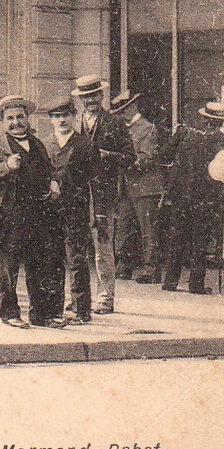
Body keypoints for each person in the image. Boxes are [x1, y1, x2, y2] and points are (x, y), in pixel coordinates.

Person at [0, 96, 64, 329]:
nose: (16, 122)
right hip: (9, 217)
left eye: (20, 117)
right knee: (8, 269)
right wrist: (5, 167)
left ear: (27, 118)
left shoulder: (36, 144)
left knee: (38, 266)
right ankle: (9, 313)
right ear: (3, 122)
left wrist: (54, 182)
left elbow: (50, 169)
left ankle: (40, 314)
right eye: (10, 118)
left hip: (37, 214)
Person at [71, 75, 136, 315]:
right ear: (80, 100)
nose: (91, 100)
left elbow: (130, 157)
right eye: (86, 97)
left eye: (94, 95)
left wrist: (104, 154)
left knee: (102, 247)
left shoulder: (115, 123)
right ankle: (79, 297)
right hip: (77, 193)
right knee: (76, 248)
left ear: (102, 96)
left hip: (103, 194)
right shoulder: (74, 123)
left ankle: (105, 297)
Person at [158, 100, 224, 294]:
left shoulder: (184, 133)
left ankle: (170, 283)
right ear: (219, 122)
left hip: (181, 195)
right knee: (199, 240)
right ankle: (196, 285)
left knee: (177, 238)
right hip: (206, 198)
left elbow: (163, 156)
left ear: (203, 118)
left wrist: (173, 176)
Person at [43, 98, 98, 324]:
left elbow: (94, 180)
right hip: (50, 210)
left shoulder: (85, 145)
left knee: (76, 259)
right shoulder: (44, 144)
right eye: (57, 117)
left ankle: (81, 310)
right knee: (53, 258)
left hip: (76, 209)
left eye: (66, 115)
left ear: (74, 117)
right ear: (51, 121)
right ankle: (55, 308)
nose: (62, 120)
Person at [113, 91, 167, 283]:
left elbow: (147, 158)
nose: (119, 115)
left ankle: (151, 270)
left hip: (145, 187)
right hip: (126, 187)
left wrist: (121, 160)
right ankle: (123, 266)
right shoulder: (122, 129)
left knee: (148, 231)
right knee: (123, 228)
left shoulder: (147, 128)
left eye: (122, 110)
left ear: (132, 108)